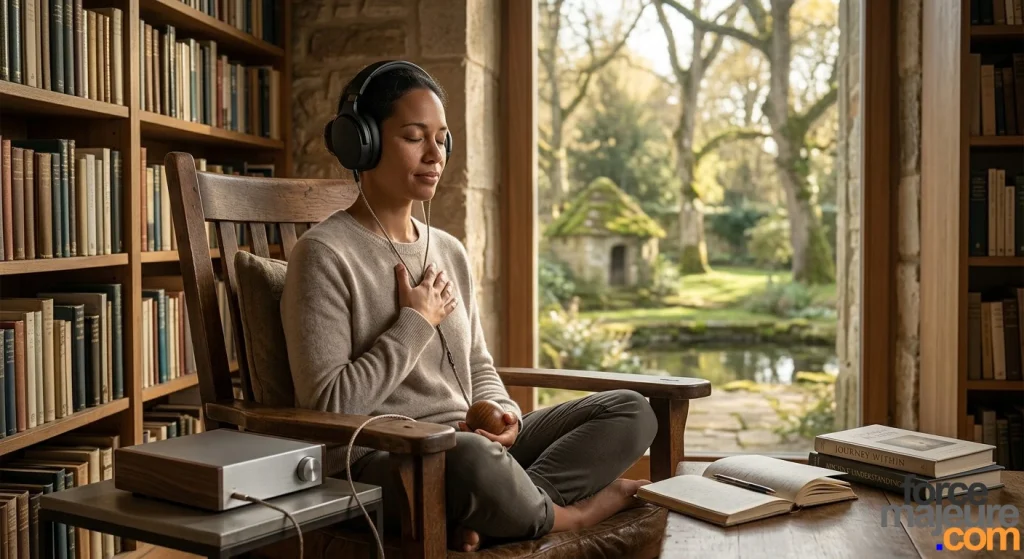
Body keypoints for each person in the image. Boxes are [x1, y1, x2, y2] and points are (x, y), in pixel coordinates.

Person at [279, 60, 658, 552]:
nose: (434, 154)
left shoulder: (450, 250)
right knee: (470, 461)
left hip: (470, 445)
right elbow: (329, 407)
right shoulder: (323, 254)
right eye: (414, 136)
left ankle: (508, 510)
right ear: (362, 142)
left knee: (631, 411)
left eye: (441, 139)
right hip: (390, 460)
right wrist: (415, 322)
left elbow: (478, 365)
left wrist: (503, 414)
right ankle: (571, 513)